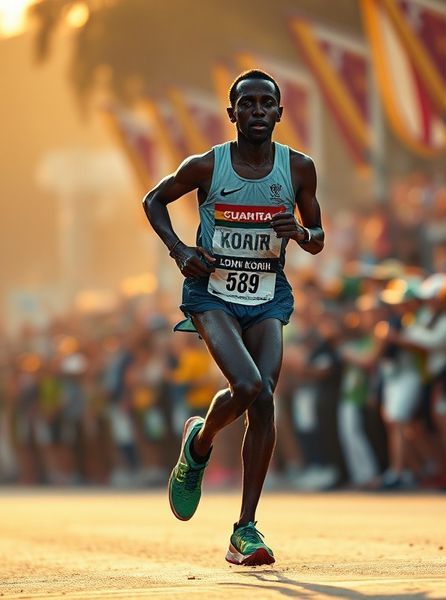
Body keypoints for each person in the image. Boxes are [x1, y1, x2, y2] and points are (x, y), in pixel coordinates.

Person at [142, 69, 324, 566]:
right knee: (246, 387)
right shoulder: (207, 166)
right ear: (233, 114)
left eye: (268, 104)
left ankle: (244, 530)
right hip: (213, 293)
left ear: (280, 114)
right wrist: (181, 250)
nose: (258, 111)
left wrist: (300, 233)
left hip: (267, 293)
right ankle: (199, 444)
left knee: (264, 397)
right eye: (248, 104)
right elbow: (153, 200)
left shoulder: (299, 168)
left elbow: (318, 234)